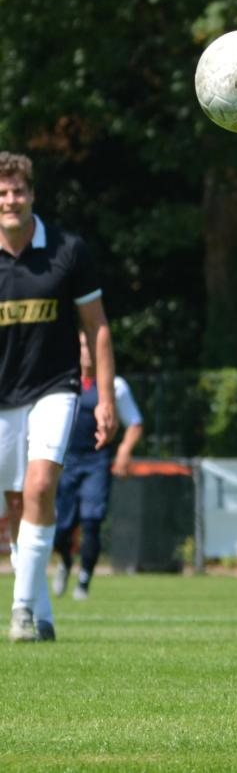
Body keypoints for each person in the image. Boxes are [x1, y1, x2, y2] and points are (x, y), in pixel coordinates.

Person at [0, 151, 115, 642]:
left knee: (42, 488)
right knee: (15, 506)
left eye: (18, 191)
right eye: (2, 193)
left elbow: (98, 327)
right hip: (3, 397)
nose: (11, 200)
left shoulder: (69, 249)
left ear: (33, 195)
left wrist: (105, 397)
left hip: (56, 387)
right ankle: (42, 611)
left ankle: (22, 610)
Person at [53, 331, 143, 600]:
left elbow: (135, 423)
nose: (86, 352)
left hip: (97, 461)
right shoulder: (61, 382)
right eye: (81, 345)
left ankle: (84, 581)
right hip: (65, 462)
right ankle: (66, 563)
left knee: (91, 522)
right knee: (61, 528)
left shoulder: (115, 385)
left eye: (91, 345)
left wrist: (125, 450)